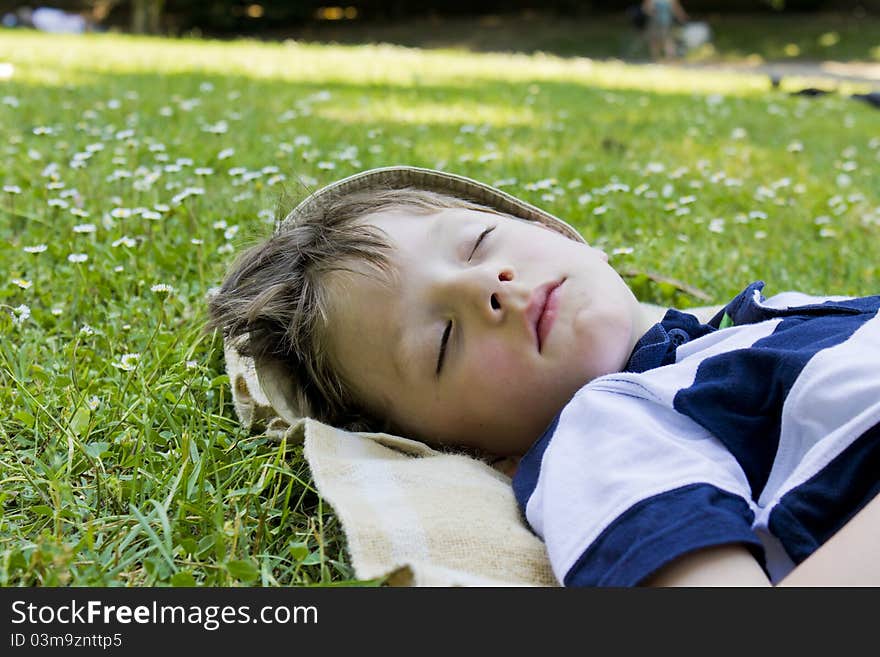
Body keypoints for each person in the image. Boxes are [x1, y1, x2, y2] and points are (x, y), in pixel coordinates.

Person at [208, 166, 880, 587]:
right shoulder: (605, 435)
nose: (485, 286)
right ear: (478, 451)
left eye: (477, 243)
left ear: (558, 231)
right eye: (443, 340)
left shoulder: (740, 325)